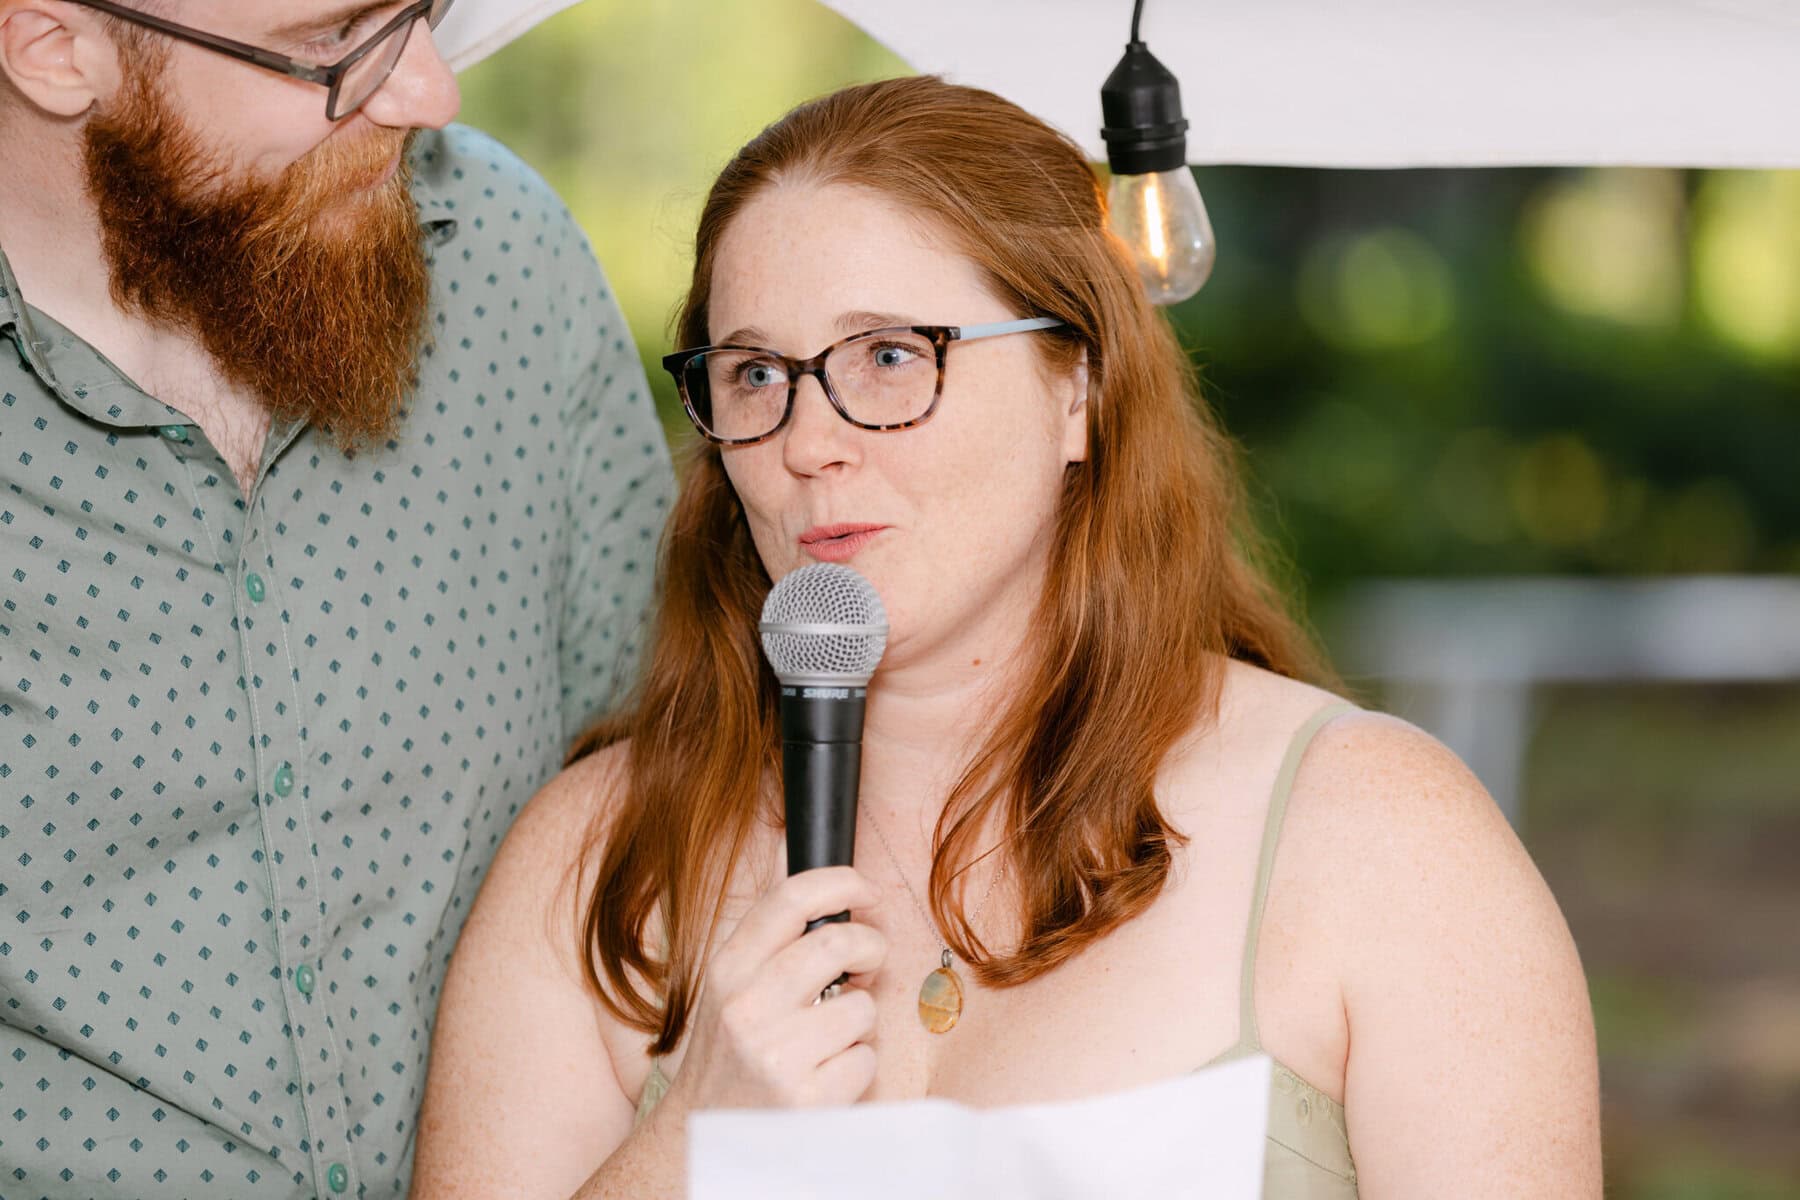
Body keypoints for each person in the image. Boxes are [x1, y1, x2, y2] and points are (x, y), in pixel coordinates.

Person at [410, 75, 1602, 1199]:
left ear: (1075, 390)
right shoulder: (595, 861)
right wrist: (688, 1145)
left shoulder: (1380, 839)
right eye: (757, 373)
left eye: (888, 358)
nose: (809, 441)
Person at [0, 1, 672, 1196]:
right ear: (55, 48)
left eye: (420, 10)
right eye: (330, 41)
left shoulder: (508, 264)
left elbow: (656, 799)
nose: (428, 91)